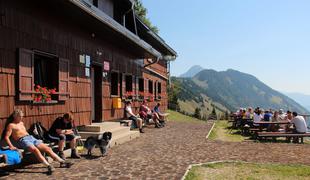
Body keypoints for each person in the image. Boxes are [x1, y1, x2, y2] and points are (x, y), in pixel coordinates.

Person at [4, 109, 72, 174]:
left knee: (47, 148)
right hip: (22, 140)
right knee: (35, 150)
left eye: (22, 116)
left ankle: (62, 162)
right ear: (15, 116)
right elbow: (6, 137)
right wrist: (11, 146)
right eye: (20, 116)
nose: (21, 118)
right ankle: (48, 166)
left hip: (31, 138)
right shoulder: (11, 125)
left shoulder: (21, 123)